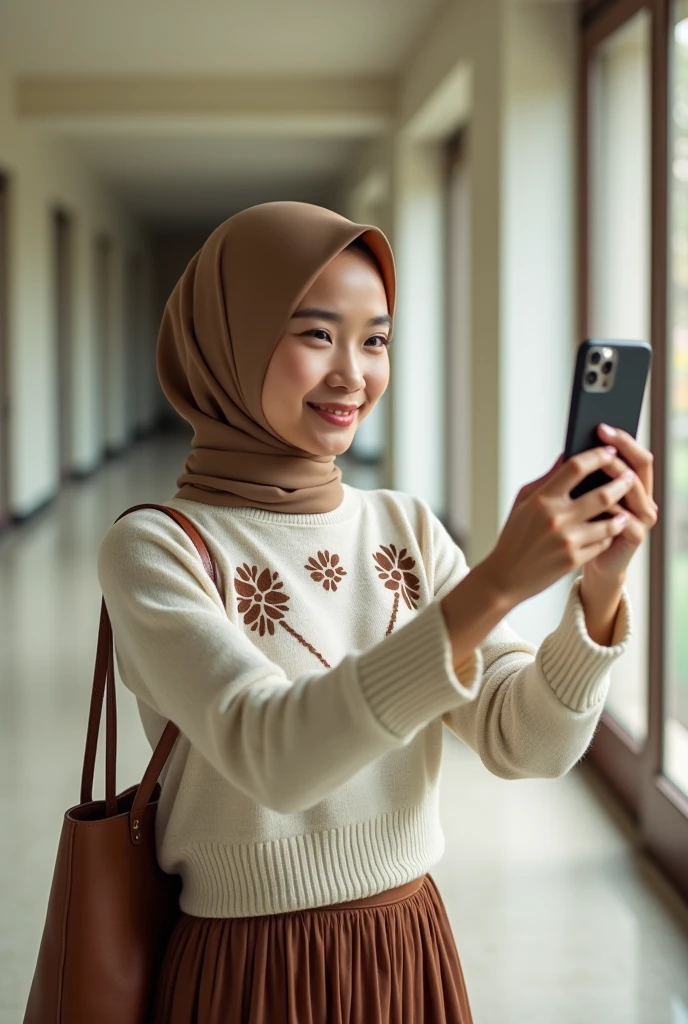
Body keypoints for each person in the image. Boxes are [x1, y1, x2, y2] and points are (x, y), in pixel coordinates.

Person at [97, 201, 657, 1024]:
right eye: (315, 334)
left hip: (408, 948)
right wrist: (495, 585)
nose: (353, 374)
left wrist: (599, 591)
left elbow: (525, 743)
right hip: (251, 970)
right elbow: (273, 754)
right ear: (229, 340)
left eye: (376, 338)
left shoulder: (405, 527)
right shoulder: (158, 548)